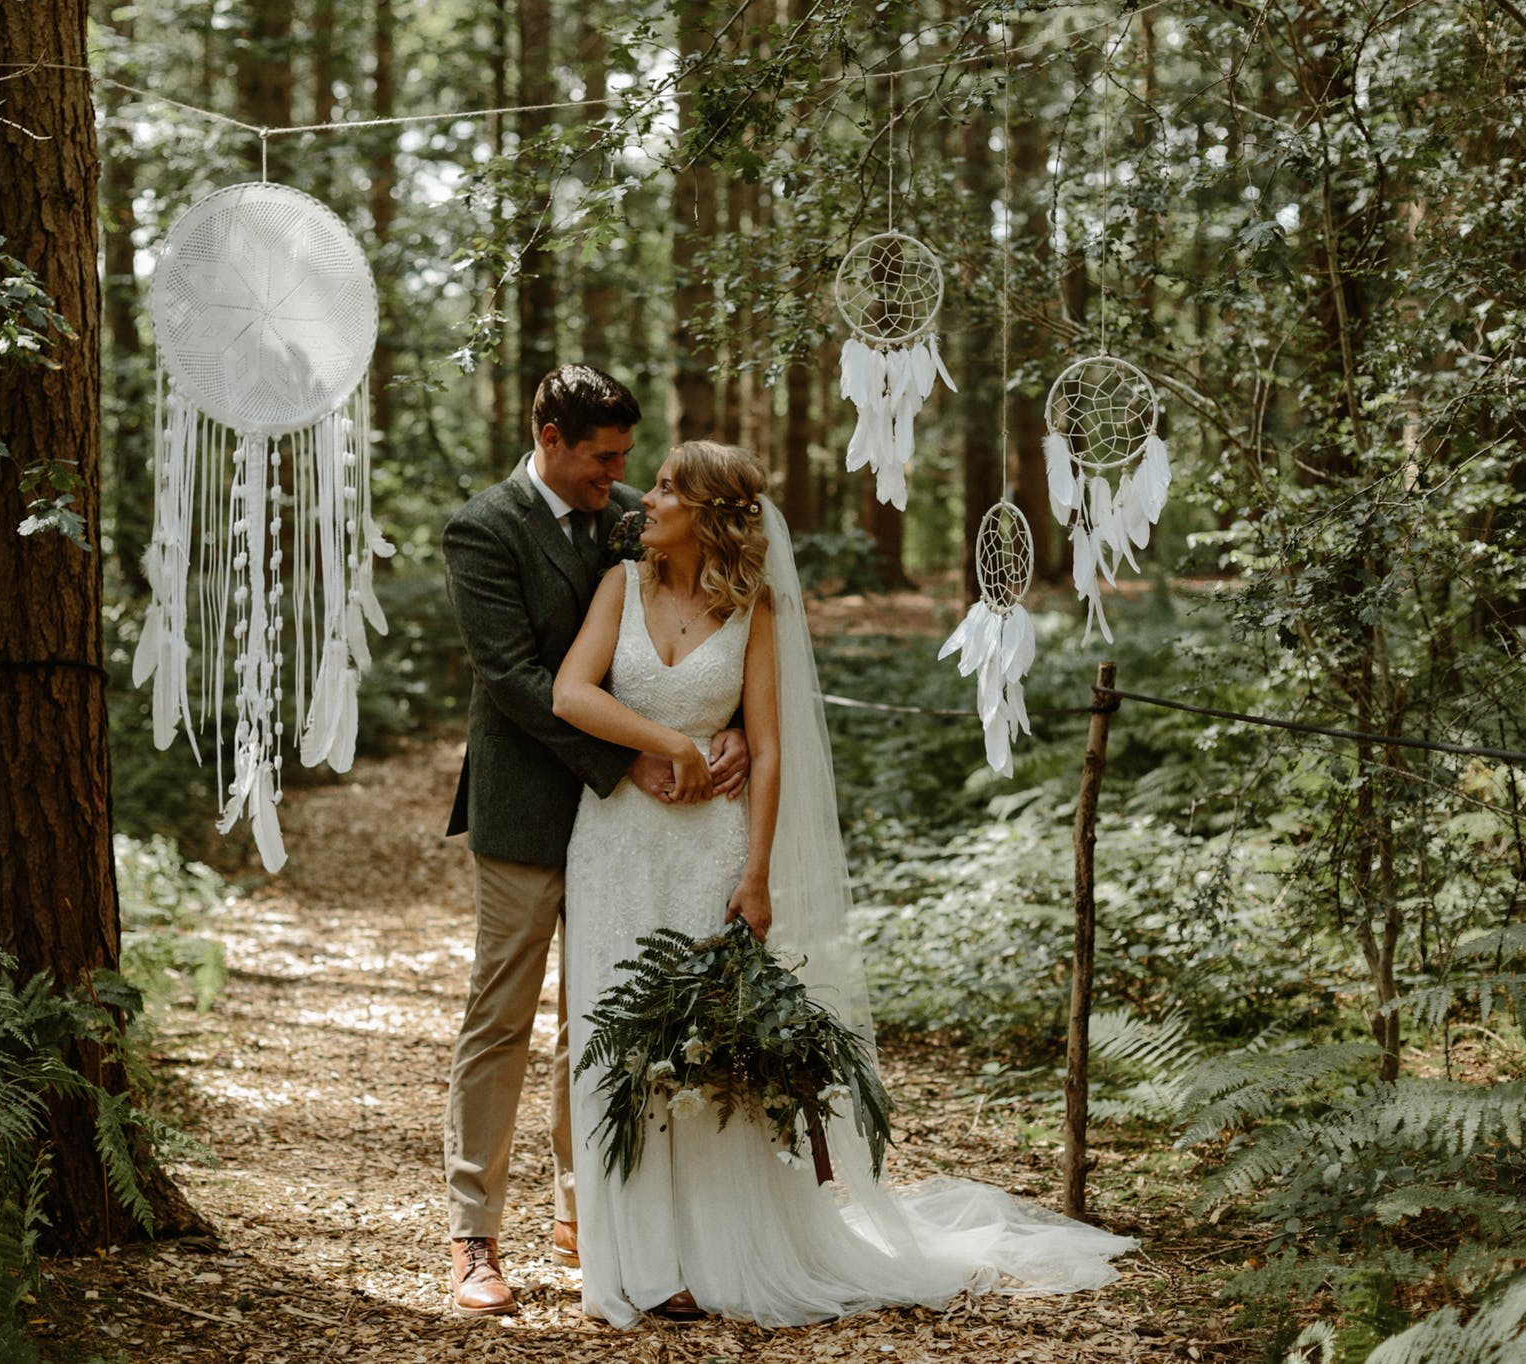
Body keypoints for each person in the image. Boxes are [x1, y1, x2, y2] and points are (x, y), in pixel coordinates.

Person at [552, 440, 1138, 1327]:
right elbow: (568, 692)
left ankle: (715, 1248)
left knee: (707, 1046)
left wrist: (755, 874)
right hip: (616, 845)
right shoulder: (618, 587)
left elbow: (772, 744)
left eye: (669, 488)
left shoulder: (754, 608)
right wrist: (668, 743)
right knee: (618, 1035)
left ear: (710, 513)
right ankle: (634, 1257)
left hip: (711, 843)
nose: (649, 498)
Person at [440, 365, 748, 1316]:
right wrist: (635, 758)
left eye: (624, 459)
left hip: (637, 823)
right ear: (552, 439)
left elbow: (692, 620)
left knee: (603, 1013)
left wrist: (727, 724)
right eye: (602, 457)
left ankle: (591, 1215)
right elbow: (515, 678)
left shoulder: (629, 514)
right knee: (503, 1013)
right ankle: (474, 1236)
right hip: (533, 803)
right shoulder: (482, 528)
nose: (616, 476)